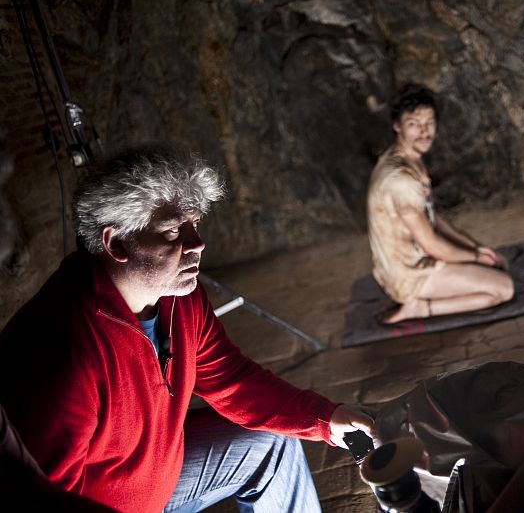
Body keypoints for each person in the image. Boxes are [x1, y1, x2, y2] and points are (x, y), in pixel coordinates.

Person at [0, 144, 374, 513]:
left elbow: (231, 379)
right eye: (172, 232)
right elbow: (40, 497)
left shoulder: (179, 296)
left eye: (194, 225)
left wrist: (327, 419)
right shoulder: (65, 351)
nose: (197, 244)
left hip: (159, 476)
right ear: (116, 243)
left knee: (272, 443)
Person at [367, 84, 514, 324]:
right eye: (414, 124)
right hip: (408, 275)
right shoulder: (400, 180)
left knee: (493, 266)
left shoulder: (408, 158)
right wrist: (475, 259)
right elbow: (431, 243)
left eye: (430, 123)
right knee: (503, 288)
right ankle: (420, 308)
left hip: (415, 259)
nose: (424, 132)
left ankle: (433, 291)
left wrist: (475, 249)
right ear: (397, 126)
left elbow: (433, 219)